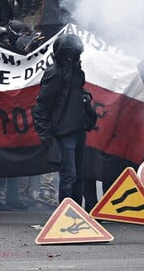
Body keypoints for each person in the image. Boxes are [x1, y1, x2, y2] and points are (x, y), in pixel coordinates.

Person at [33, 33, 96, 206]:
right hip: (64, 132)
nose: (76, 57)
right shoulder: (55, 72)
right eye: (73, 53)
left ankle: (76, 213)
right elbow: (42, 104)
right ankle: (65, 215)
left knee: (78, 177)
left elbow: (78, 91)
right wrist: (44, 133)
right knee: (70, 176)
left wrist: (86, 98)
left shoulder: (76, 69)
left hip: (78, 130)